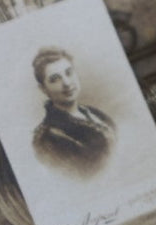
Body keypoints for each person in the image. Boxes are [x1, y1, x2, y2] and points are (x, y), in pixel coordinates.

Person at [30, 46, 116, 179]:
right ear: (43, 89)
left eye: (69, 72)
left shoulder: (95, 113)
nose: (67, 83)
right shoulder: (48, 138)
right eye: (55, 79)